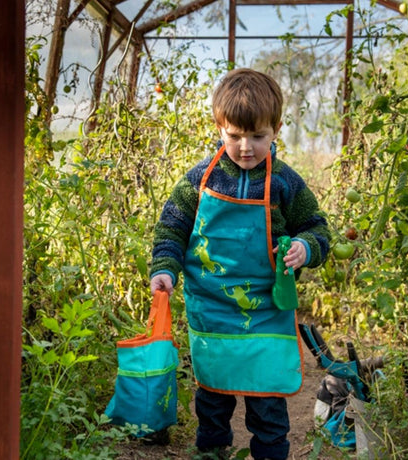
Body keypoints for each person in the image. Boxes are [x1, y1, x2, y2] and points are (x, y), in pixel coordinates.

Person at [150, 68, 331, 460]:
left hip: (266, 310)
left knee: (267, 402)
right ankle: (212, 453)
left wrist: (305, 246)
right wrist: (164, 268)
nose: (245, 147)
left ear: (276, 129)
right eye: (234, 136)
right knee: (213, 401)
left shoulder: (285, 182)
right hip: (212, 308)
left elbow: (318, 228)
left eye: (258, 136)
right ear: (220, 127)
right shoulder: (201, 179)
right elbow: (172, 227)